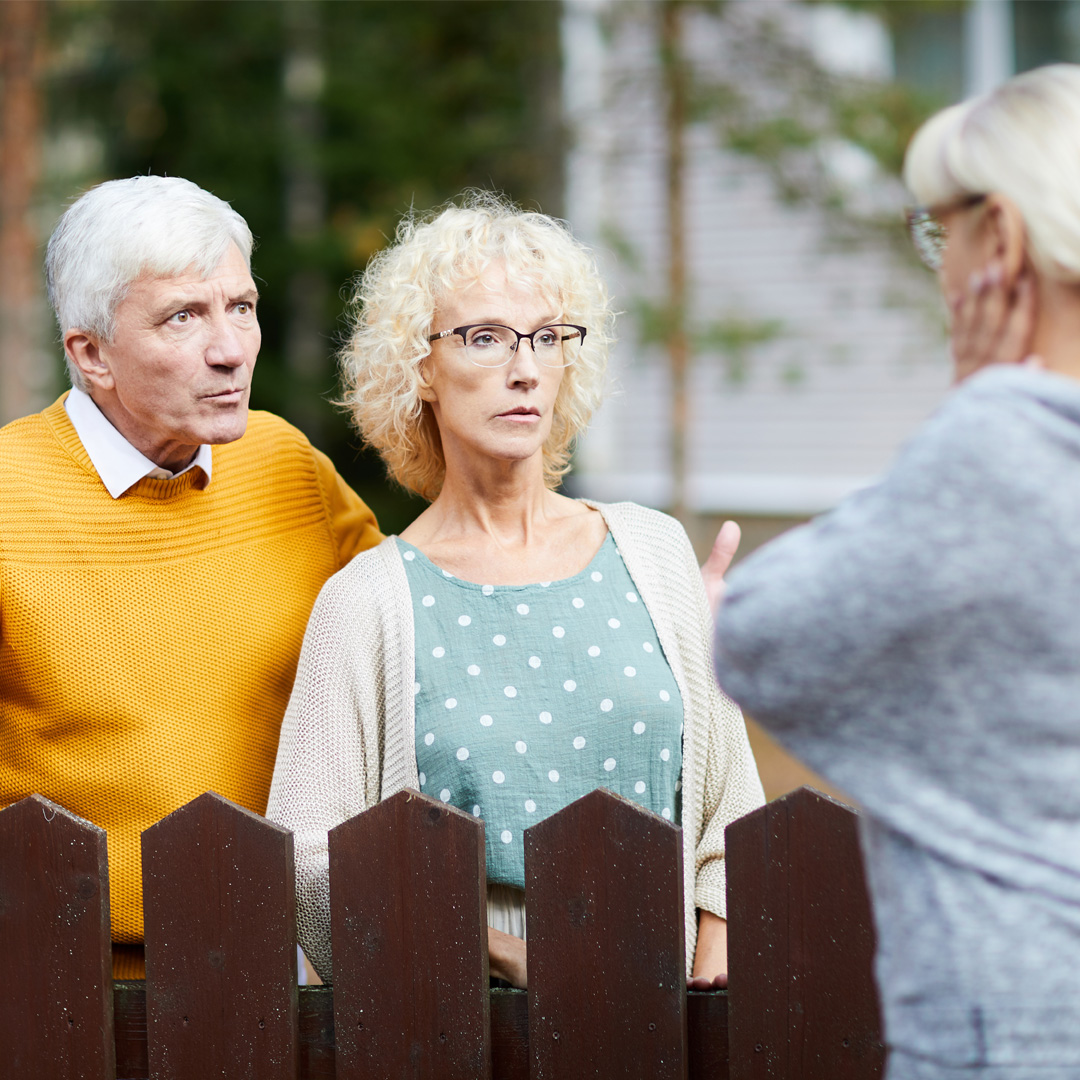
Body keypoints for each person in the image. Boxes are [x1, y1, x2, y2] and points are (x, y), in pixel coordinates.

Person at [266, 192, 764, 987]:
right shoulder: (367, 601)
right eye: (487, 338)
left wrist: (713, 958)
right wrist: (499, 955)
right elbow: (310, 859)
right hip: (458, 1018)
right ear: (420, 367)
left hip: (668, 1010)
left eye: (547, 338)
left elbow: (730, 799)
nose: (524, 368)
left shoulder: (654, 550)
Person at [712, 64, 1080, 1080]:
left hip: (1014, 1030)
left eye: (941, 232)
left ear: (1000, 240)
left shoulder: (998, 447)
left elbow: (760, 639)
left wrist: (978, 400)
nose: (940, 267)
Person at [0, 175, 382, 977]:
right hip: (69, 987)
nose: (230, 349)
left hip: (289, 972)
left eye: (240, 308)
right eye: (184, 317)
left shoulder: (287, 466)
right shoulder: (10, 497)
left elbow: (418, 640)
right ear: (91, 354)